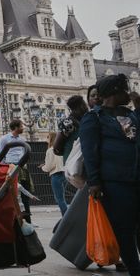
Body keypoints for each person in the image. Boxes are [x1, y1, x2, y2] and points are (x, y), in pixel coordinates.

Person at [80, 74, 140, 275]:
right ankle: (135, 269)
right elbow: (90, 152)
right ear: (116, 91)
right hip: (115, 183)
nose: (129, 93)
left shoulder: (131, 114)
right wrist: (94, 182)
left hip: (136, 178)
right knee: (125, 230)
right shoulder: (94, 117)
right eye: (126, 89)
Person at [0, 119, 34, 223]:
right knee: (14, 194)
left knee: (25, 194)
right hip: (11, 166)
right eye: (22, 126)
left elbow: (23, 152)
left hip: (22, 167)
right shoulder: (4, 139)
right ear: (16, 127)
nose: (23, 128)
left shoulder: (22, 140)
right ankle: (15, 219)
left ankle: (28, 220)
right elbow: (1, 154)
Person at [53, 95, 88, 162]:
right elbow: (56, 148)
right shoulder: (68, 123)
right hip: (73, 162)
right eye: (84, 104)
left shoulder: (84, 120)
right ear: (79, 107)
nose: (86, 107)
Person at [40, 132, 68, 216]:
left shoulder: (50, 150)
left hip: (56, 175)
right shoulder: (62, 148)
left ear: (51, 138)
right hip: (64, 174)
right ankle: (66, 216)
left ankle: (66, 217)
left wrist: (43, 167)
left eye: (48, 137)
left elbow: (49, 166)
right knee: (61, 198)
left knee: (59, 199)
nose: (46, 140)